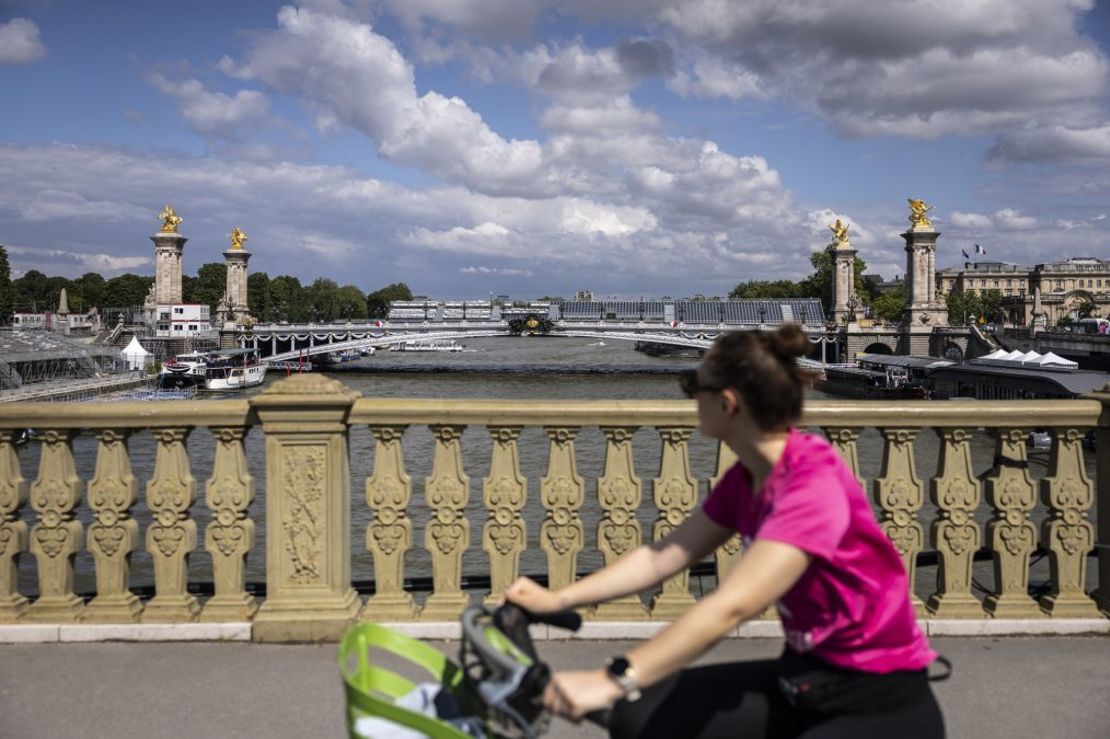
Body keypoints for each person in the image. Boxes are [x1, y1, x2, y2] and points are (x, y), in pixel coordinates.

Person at [505, 325, 946, 738]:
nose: (690, 395)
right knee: (638, 717)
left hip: (874, 704)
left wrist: (615, 676)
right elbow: (665, 555)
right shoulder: (749, 476)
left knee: (635, 704)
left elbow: (731, 606)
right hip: (805, 675)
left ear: (727, 403)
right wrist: (556, 599)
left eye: (694, 386)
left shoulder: (810, 486)